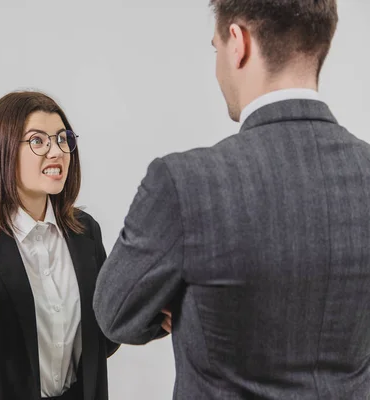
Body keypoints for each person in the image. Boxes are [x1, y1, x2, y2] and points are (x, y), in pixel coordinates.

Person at [94, 1, 370, 398]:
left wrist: (185, 307)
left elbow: (114, 314)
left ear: (238, 42)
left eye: (216, 47)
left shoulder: (185, 182)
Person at [0, 91, 120, 400]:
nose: (56, 152)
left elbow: (103, 343)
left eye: (62, 139)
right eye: (38, 141)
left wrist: (153, 311)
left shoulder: (84, 232)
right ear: (2, 150)